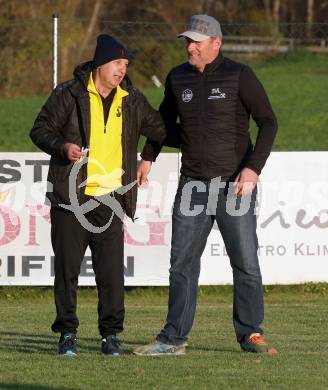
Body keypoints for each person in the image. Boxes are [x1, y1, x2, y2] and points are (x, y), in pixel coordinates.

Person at [134, 14, 278, 355]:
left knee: (245, 263)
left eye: (197, 41)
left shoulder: (240, 75)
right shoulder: (177, 77)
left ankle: (251, 334)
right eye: (187, 40)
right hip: (191, 187)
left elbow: (268, 123)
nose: (190, 47)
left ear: (216, 43)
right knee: (181, 263)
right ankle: (173, 339)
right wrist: (148, 156)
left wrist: (252, 169)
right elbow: (163, 124)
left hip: (234, 186)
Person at [30, 34, 165, 356]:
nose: (123, 69)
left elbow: (159, 130)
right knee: (67, 272)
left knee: (111, 274)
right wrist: (63, 147)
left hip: (111, 200)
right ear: (101, 63)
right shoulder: (70, 92)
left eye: (126, 64)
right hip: (71, 198)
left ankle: (110, 336)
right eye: (118, 63)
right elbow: (39, 129)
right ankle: (66, 334)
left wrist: (147, 159)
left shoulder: (130, 97)